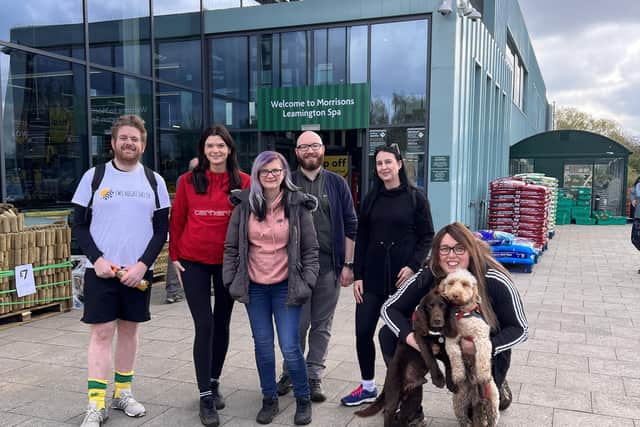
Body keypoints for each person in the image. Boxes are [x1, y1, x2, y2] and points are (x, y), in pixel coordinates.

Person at [72, 115, 171, 427]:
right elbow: (78, 224)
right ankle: (96, 402)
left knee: (130, 330)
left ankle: (123, 392)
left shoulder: (154, 181)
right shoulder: (94, 176)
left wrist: (142, 265)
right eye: (123, 138)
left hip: (137, 273)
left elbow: (161, 231)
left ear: (143, 144)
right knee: (101, 333)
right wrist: (97, 259)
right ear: (113, 142)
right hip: (100, 272)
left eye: (135, 139)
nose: (129, 143)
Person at [379, 222, 528, 421]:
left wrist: (482, 347)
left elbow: (520, 328)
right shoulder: (430, 274)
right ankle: (411, 408)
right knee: (388, 334)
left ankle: (498, 385)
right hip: (443, 344)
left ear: (470, 249)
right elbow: (389, 308)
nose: (451, 255)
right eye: (445, 249)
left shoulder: (493, 278)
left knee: (474, 414)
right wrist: (414, 340)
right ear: (437, 252)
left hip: (482, 350)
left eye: (459, 248)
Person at [223, 151, 319, 425]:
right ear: (256, 175)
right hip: (255, 288)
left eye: (276, 171)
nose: (271, 176)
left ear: (284, 174)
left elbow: (311, 249)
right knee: (263, 346)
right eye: (265, 171)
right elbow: (231, 247)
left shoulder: (297, 205)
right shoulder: (244, 205)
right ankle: (269, 399)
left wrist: (308, 280)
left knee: (290, 346)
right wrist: (231, 281)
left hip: (286, 288)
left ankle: (302, 398)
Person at [341, 144, 434, 406]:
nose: (383, 167)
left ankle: (402, 386)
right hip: (371, 278)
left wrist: (414, 265)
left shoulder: (416, 198)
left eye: (388, 162)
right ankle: (367, 386)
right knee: (363, 332)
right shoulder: (371, 199)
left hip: (402, 280)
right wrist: (357, 275)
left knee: (396, 335)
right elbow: (363, 237)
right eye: (379, 163)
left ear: (399, 164)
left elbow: (428, 235)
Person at [169, 127, 250, 427]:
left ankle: (214, 381)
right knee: (204, 325)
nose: (215, 151)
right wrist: (174, 256)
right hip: (194, 262)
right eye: (210, 146)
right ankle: (205, 396)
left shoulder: (244, 182)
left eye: (221, 146)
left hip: (228, 263)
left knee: (222, 323)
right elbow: (177, 220)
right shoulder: (188, 181)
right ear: (203, 150)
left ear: (229, 149)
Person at [276, 131, 357, 402]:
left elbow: (350, 225)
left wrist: (348, 264)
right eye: (304, 146)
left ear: (322, 150)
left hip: (328, 268)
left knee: (321, 325)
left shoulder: (337, 184)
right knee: (296, 326)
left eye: (314, 145)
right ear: (297, 152)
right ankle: (290, 371)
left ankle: (313, 376)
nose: (310, 151)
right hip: (292, 270)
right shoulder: (286, 183)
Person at [165, 156, 199, 304]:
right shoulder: (188, 181)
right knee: (176, 257)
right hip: (187, 226)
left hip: (187, 225)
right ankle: (173, 290)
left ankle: (174, 291)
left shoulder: (183, 179)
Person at [630, 177, 640, 265]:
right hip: (638, 217)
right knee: (635, 239)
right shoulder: (637, 185)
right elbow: (633, 191)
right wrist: (633, 199)